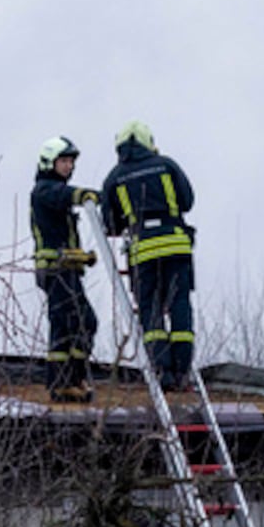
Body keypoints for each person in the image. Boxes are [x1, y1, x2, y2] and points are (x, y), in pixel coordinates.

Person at [98, 120, 196, 381]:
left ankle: (162, 370)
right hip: (176, 245)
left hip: (143, 251)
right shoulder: (167, 165)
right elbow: (187, 201)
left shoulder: (114, 177)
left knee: (150, 309)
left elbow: (108, 222)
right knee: (179, 303)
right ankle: (182, 366)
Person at [29, 135, 99, 401]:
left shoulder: (52, 191)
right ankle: (61, 384)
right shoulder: (44, 189)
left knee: (81, 323)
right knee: (67, 324)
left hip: (65, 268)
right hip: (54, 270)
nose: (69, 166)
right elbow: (66, 195)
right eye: (64, 161)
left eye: (71, 161)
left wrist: (82, 258)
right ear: (50, 162)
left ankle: (72, 379)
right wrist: (88, 196)